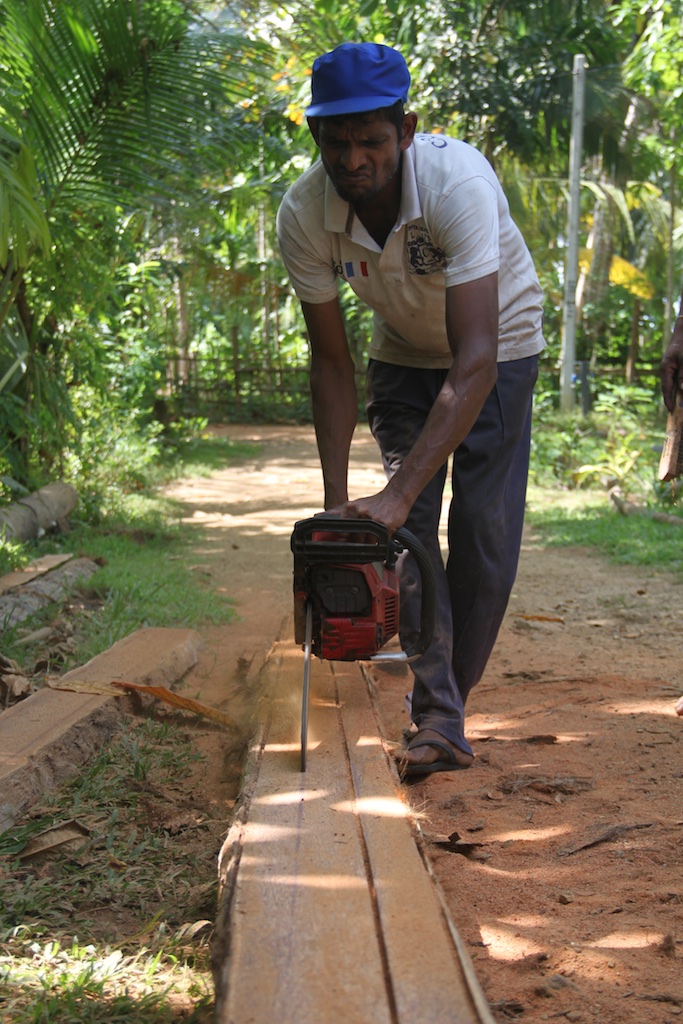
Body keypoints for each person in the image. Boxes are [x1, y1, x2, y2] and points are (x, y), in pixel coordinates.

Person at [277, 42, 546, 778]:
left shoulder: (457, 181)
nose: (353, 159)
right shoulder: (303, 214)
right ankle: (439, 719)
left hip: (500, 350)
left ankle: (446, 704)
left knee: (483, 535)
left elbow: (475, 358)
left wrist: (393, 493)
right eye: (336, 143)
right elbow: (329, 360)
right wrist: (337, 501)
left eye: (370, 139)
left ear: (405, 128)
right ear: (315, 138)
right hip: (399, 357)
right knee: (411, 537)